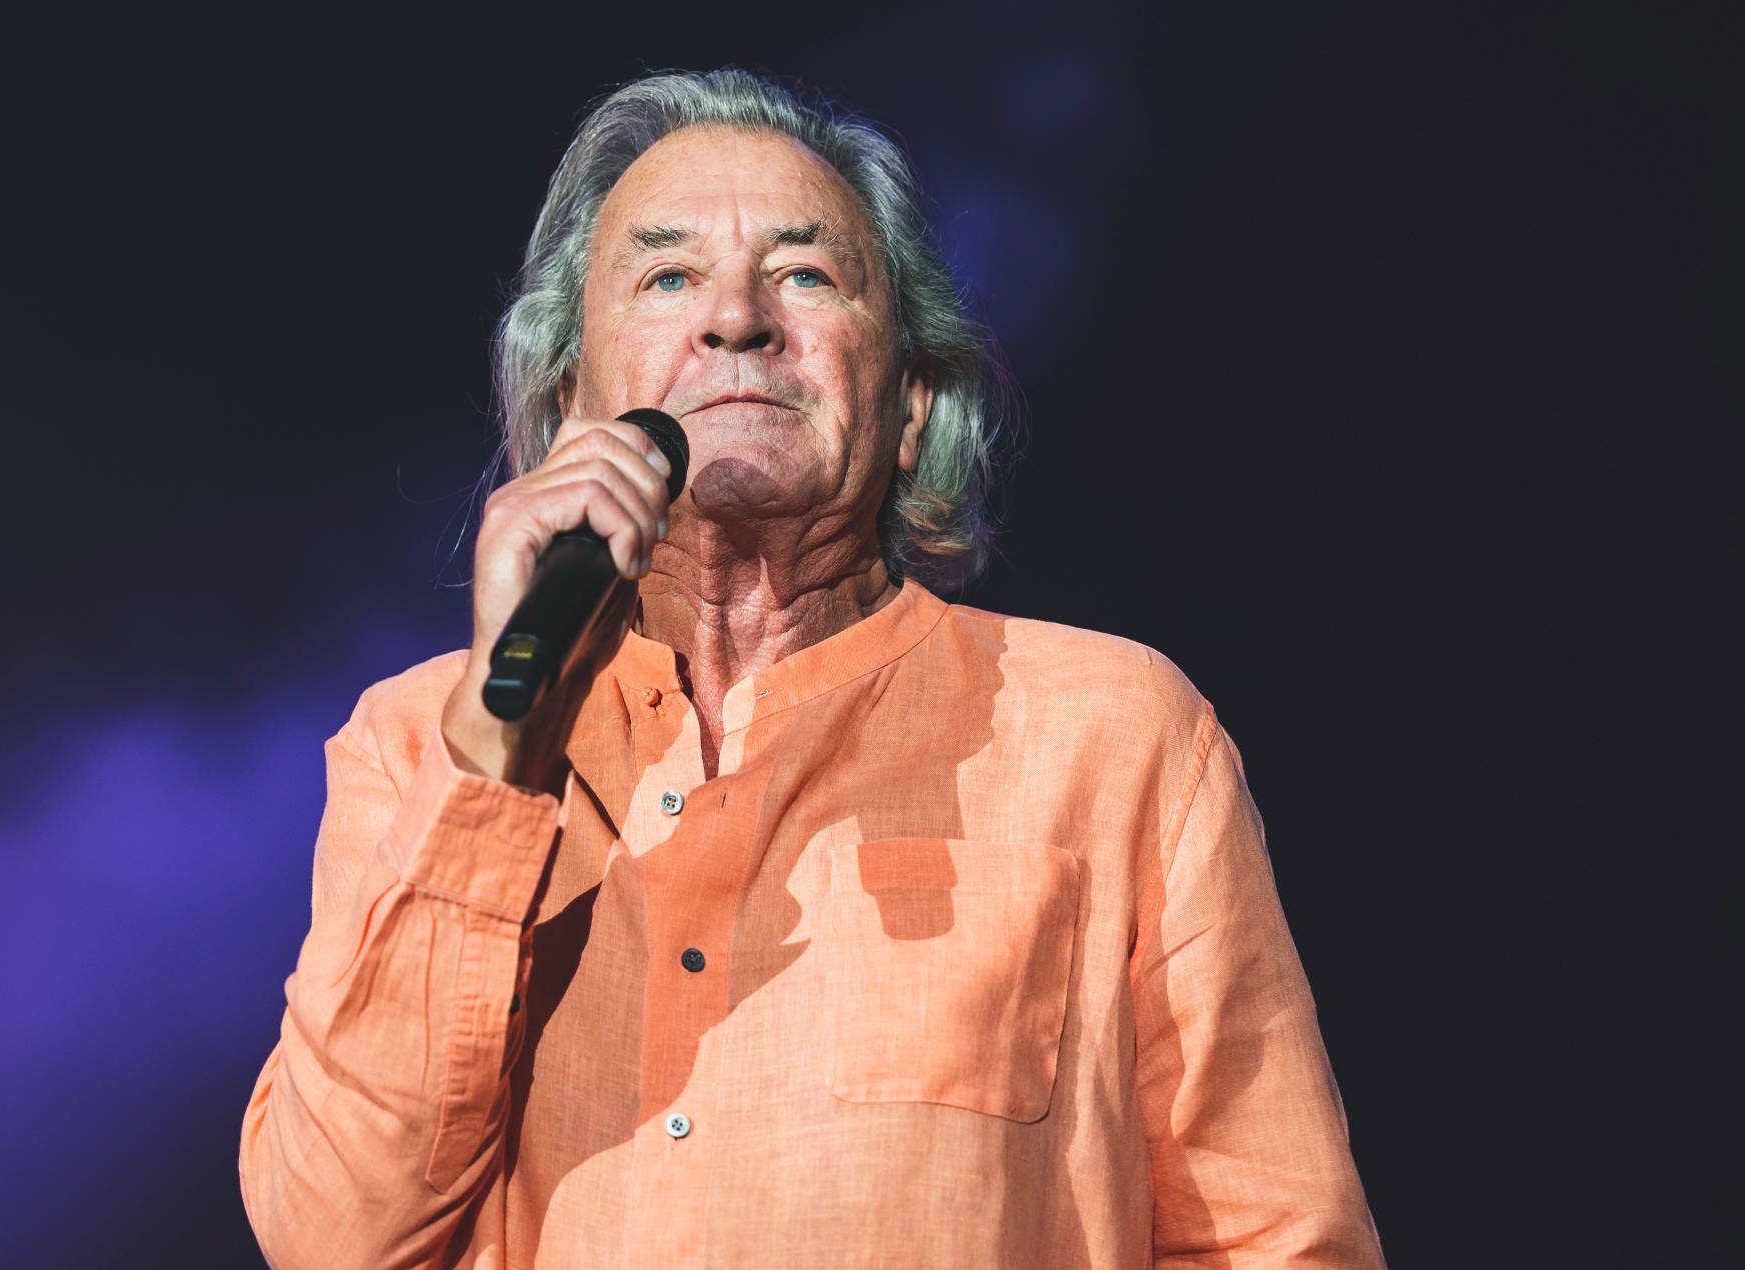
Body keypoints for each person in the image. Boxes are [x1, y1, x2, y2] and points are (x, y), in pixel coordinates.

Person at [238, 68, 1385, 1268]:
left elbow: (1281, 1242)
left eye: (804, 275)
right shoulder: (417, 743)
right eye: (667, 277)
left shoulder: (1115, 735)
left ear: (910, 402)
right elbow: (333, 1238)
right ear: (570, 400)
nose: (735, 318)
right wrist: (495, 750)